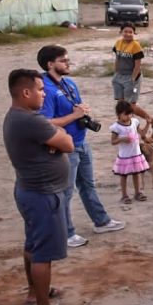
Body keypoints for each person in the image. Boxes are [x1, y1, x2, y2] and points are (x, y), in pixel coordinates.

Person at [3, 69, 79, 305]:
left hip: (30, 190)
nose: (44, 94)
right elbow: (68, 144)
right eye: (40, 90)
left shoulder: (16, 116)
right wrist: (60, 139)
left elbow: (57, 138)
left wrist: (55, 138)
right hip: (43, 195)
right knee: (43, 254)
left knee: (33, 245)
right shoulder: (31, 121)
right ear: (26, 92)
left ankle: (35, 292)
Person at [38, 45, 125, 248]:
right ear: (50, 64)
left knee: (87, 185)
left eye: (67, 59)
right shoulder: (45, 89)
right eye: (63, 60)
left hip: (81, 142)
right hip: (64, 148)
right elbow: (44, 123)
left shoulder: (69, 84)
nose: (68, 63)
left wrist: (82, 112)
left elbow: (75, 110)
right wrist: (74, 115)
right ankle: (65, 233)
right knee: (65, 192)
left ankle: (101, 221)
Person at [109, 100, 150, 204]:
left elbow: (142, 134)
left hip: (135, 154)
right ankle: (124, 195)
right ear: (119, 114)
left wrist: (148, 124)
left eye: (130, 114)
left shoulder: (134, 122)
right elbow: (113, 141)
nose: (129, 116)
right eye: (126, 114)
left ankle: (138, 192)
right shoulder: (116, 127)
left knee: (136, 173)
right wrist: (123, 139)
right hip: (125, 156)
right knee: (124, 175)